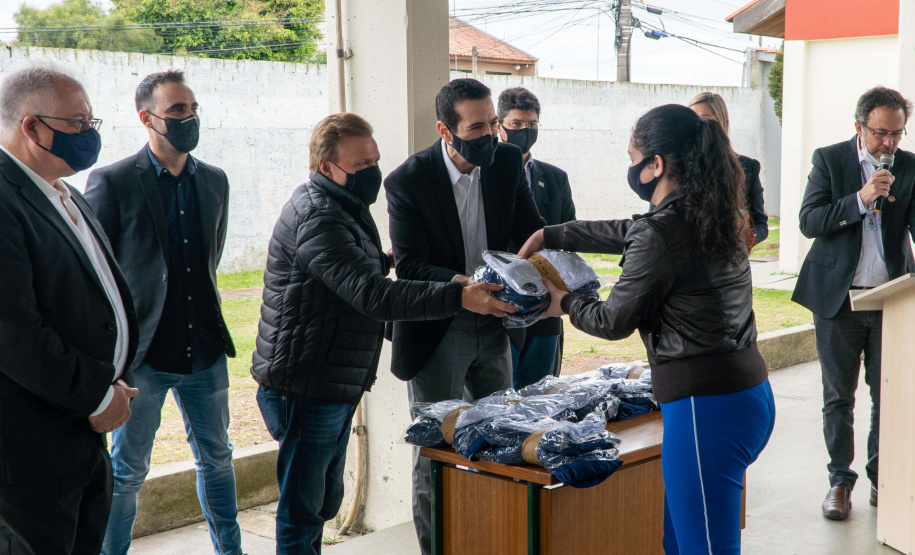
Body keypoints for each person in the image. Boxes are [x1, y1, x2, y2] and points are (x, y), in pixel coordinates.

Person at [250, 113, 516, 555]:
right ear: (326, 168)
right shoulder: (319, 217)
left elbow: (356, 267)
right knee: (302, 511)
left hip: (331, 379)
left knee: (321, 501)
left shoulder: (341, 206)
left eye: (375, 160)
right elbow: (372, 295)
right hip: (304, 384)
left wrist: (399, 258)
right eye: (361, 167)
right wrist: (457, 295)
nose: (373, 172)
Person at [519, 104, 776, 554]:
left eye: (633, 156)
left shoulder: (666, 228)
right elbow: (633, 230)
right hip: (746, 395)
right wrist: (554, 234)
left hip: (705, 410)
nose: (631, 166)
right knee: (678, 542)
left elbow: (612, 320)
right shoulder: (712, 212)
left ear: (655, 165)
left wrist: (562, 302)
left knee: (704, 549)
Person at [84, 70, 244, 555]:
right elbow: (96, 274)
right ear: (146, 118)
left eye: (192, 108)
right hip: (144, 358)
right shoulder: (111, 181)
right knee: (128, 471)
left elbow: (210, 261)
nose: (188, 117)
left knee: (217, 460)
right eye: (177, 110)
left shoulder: (215, 181)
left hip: (206, 353)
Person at [384, 78, 544, 555]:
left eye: (493, 123)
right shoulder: (407, 181)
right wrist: (462, 291)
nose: (490, 136)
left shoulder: (506, 162)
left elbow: (528, 230)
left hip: (495, 321)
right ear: (445, 130)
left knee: (502, 437)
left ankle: (497, 539)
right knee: (438, 450)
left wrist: (541, 274)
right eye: (477, 128)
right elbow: (410, 266)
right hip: (438, 327)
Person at [0, 64, 139, 554]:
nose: (89, 135)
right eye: (77, 124)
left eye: (92, 123)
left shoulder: (64, 193)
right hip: (30, 453)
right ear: (31, 126)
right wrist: (98, 397)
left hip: (80, 436)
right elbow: (14, 333)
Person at [791, 86, 915, 520]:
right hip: (839, 299)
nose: (889, 143)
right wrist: (861, 199)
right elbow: (809, 221)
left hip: (892, 299)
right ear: (859, 126)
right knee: (839, 397)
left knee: (890, 395)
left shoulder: (911, 167)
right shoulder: (830, 160)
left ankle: (885, 478)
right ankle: (840, 483)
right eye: (881, 133)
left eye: (897, 134)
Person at [497, 86, 576, 389]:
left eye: (531, 125)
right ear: (500, 124)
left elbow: (569, 233)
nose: (525, 131)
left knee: (540, 390)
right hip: (501, 301)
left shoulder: (555, 177)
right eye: (516, 124)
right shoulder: (484, 172)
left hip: (546, 300)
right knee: (502, 394)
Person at [688, 91, 769, 246]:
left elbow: (760, 225)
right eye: (692, 120)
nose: (698, 126)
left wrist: (744, 237)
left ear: (723, 122)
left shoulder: (747, 167)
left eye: (705, 119)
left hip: (730, 262)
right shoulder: (677, 165)